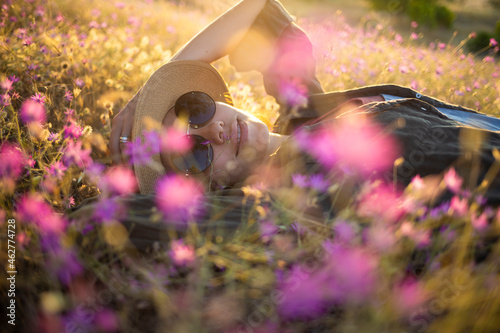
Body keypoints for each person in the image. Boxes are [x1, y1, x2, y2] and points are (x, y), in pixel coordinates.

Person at [75, 0, 500, 250]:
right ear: (207, 193)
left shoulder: (304, 111)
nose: (215, 132)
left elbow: (261, 13)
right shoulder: (298, 196)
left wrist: (153, 87)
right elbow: (96, 220)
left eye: (194, 110)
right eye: (195, 153)